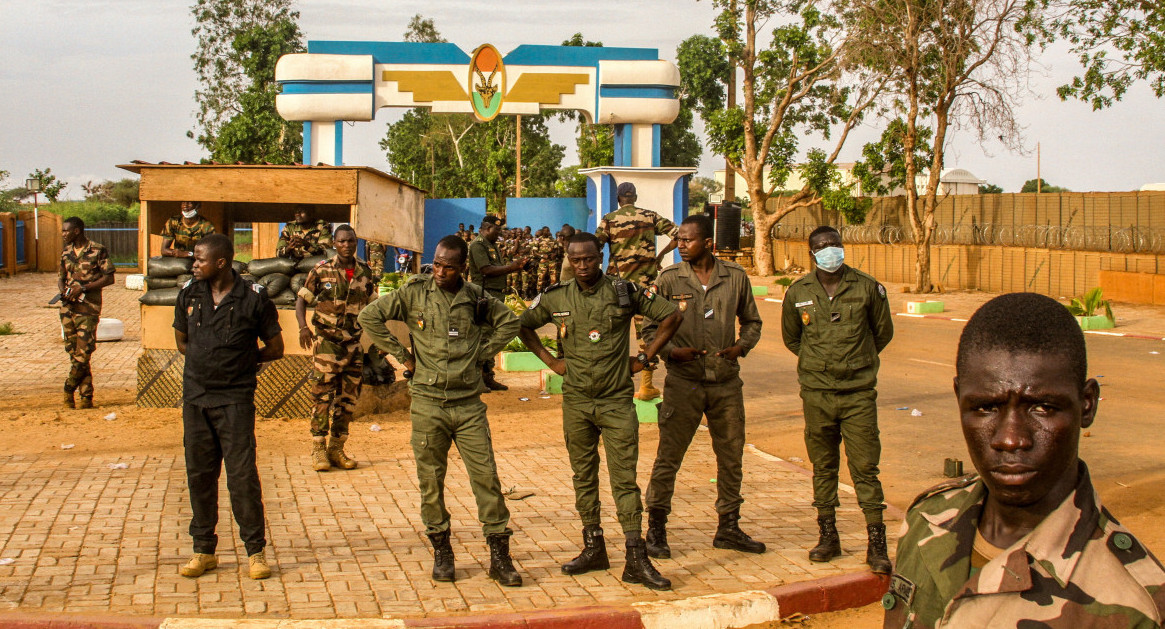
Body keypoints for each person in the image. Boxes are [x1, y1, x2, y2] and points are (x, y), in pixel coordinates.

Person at [884, 293, 1165, 628]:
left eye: (1043, 407)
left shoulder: (1138, 606)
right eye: (986, 407)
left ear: (1087, 404)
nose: (1011, 439)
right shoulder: (926, 519)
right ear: (959, 398)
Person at [518, 232, 683, 591]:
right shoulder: (556, 297)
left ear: (600, 255)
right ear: (568, 258)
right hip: (577, 402)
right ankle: (593, 547)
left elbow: (670, 315)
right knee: (583, 476)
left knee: (624, 479)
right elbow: (523, 326)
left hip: (615, 401)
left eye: (589, 259)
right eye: (576, 260)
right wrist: (552, 362)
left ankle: (636, 557)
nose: (582, 266)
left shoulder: (622, 291)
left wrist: (645, 356)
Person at [358, 235, 523, 587]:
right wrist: (401, 354)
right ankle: (442, 550)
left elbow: (510, 323)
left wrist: (482, 353)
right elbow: (370, 316)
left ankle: (499, 555)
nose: (441, 271)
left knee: (487, 480)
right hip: (428, 403)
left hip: (468, 406)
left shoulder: (477, 297)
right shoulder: (415, 291)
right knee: (431, 482)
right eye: (437, 263)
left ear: (463, 267)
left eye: (449, 266)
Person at [642, 214, 765, 559]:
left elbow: (753, 321)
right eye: (679, 239)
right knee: (669, 456)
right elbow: (650, 329)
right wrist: (670, 351)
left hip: (725, 382)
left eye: (687, 240)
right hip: (684, 383)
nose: (680, 245)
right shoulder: (668, 280)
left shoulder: (736, 278)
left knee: (731, 456)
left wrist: (742, 346)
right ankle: (656, 528)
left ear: (708, 243)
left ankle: (729, 526)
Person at [780, 225, 894, 573]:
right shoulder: (798, 291)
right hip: (817, 393)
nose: (831, 251)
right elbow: (792, 339)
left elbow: (882, 333)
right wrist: (820, 365)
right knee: (823, 466)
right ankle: (828, 536)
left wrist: (855, 362)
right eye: (822, 246)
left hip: (858, 393)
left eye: (835, 244)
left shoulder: (867, 287)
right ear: (811, 253)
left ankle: (877, 544)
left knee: (864, 468)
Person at [173, 233, 283, 581]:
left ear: (221, 263)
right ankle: (204, 550)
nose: (194, 264)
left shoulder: (254, 299)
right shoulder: (189, 294)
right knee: (200, 476)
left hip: (235, 401)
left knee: (242, 478)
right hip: (196, 400)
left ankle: (255, 551)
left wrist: (242, 364)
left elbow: (276, 347)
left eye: (200, 259)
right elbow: (182, 342)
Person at [295, 225, 377, 472]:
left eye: (350, 241)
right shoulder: (321, 270)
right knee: (321, 396)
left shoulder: (365, 272)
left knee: (348, 400)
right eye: (341, 241)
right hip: (327, 345)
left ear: (356, 242)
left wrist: (378, 341)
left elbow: (373, 308)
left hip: (353, 346)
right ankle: (318, 449)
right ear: (334, 243)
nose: (346, 245)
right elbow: (302, 299)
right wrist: (302, 327)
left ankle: (337, 448)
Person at [596, 181, 679, 401]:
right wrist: (659, 256)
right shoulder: (651, 216)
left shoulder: (609, 219)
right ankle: (646, 386)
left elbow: (596, 246)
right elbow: (678, 235)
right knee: (647, 335)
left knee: (612, 334)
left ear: (618, 198)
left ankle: (611, 384)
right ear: (635, 197)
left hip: (617, 287)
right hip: (646, 286)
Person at [58, 217, 115, 409]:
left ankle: (68, 388)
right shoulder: (66, 252)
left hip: (88, 309)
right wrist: (63, 291)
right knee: (74, 353)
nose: (63, 234)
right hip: (67, 309)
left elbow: (109, 278)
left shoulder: (98, 250)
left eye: (66, 231)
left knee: (83, 353)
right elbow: (61, 277)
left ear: (77, 231)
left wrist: (84, 288)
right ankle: (86, 397)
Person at [467, 215, 525, 391]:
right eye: (496, 230)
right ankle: (479, 378)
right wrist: (512, 267)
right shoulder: (478, 245)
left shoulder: (491, 245)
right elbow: (486, 270)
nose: (499, 234)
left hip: (494, 295)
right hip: (484, 295)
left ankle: (487, 376)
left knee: (491, 334)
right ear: (486, 228)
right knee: (484, 335)